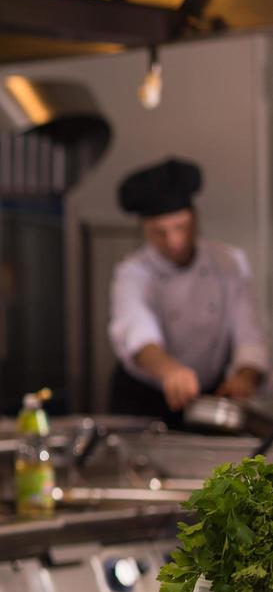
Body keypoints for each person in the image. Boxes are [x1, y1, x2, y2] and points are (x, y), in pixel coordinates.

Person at [108, 156, 268, 421]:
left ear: (195, 218)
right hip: (144, 399)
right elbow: (138, 335)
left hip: (209, 397)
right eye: (159, 232)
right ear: (144, 230)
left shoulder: (229, 262)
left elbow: (250, 336)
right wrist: (170, 370)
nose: (173, 241)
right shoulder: (132, 273)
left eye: (180, 227)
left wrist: (244, 377)